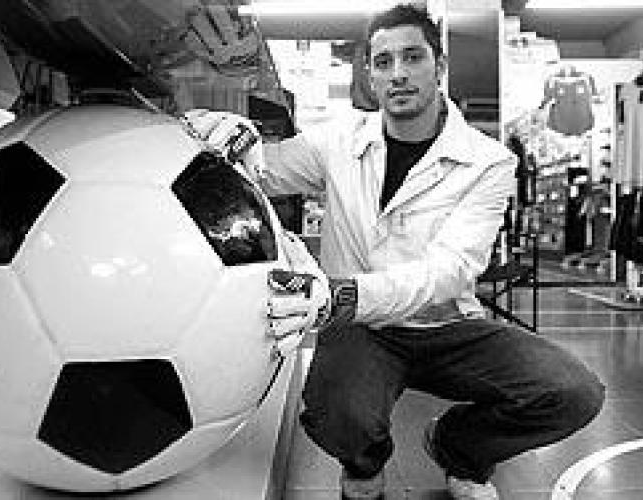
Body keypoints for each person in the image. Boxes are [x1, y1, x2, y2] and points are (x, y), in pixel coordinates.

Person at [185, 4, 605, 499]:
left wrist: (339, 295)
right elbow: (263, 170)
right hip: (363, 330)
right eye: (383, 62)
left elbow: (448, 270)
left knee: (573, 392)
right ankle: (364, 468)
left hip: (446, 326)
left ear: (439, 65)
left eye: (413, 57)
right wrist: (225, 130)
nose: (398, 73)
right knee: (336, 413)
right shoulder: (338, 141)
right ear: (370, 75)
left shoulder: (488, 162)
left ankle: (459, 448)